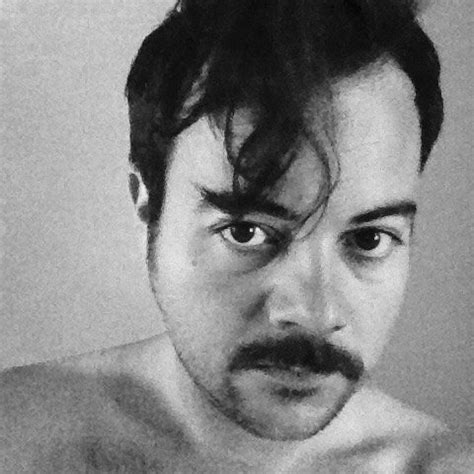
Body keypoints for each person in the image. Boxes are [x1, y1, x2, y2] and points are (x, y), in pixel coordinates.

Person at [1, 0, 468, 471]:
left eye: (369, 240)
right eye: (246, 232)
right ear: (147, 204)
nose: (316, 312)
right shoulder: (14, 439)